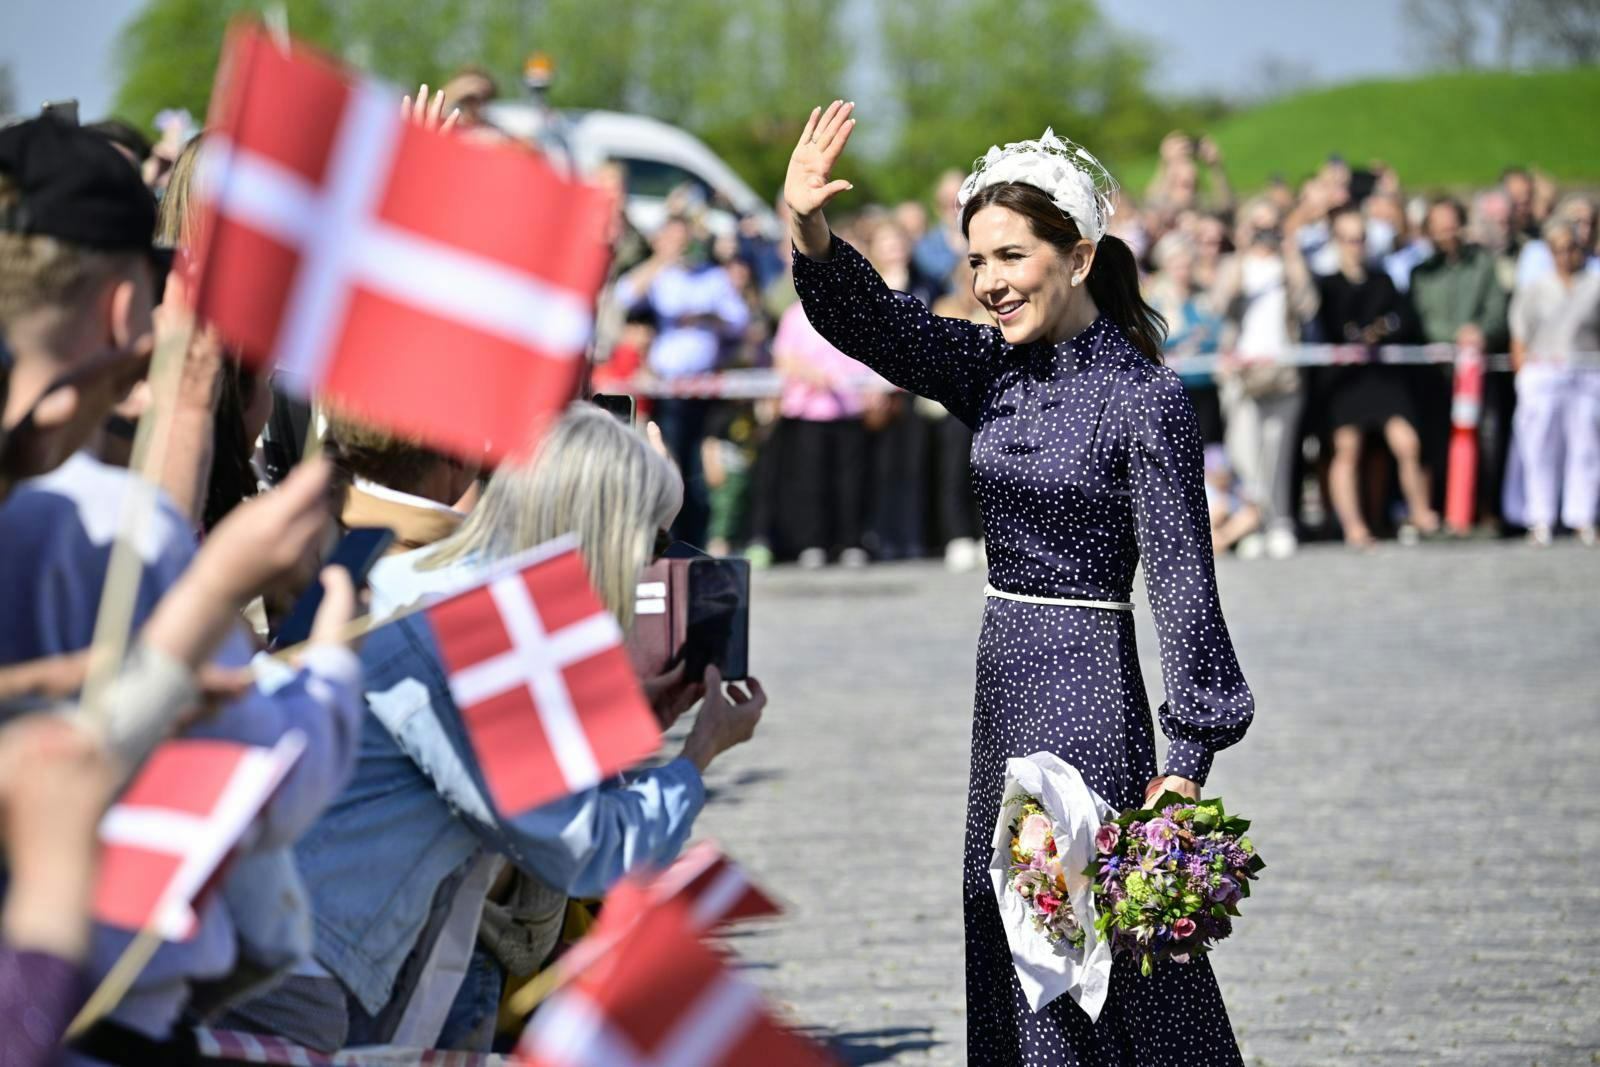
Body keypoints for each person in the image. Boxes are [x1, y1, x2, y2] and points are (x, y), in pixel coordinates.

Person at [786, 104, 1253, 1064]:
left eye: (1012, 256)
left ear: (1079, 256)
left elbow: (1183, 585)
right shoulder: (992, 369)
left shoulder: (1144, 397)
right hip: (1002, 685)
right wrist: (807, 226)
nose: (992, 283)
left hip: (1087, 693)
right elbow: (872, 322)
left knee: (1072, 927)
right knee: (1007, 914)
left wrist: (1188, 758)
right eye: (978, 262)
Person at [233, 406, 767, 1052]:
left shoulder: (429, 578)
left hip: (280, 931)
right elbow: (586, 847)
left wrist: (637, 724)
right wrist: (698, 755)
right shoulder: (480, 631)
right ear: (606, 532)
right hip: (295, 958)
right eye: (654, 542)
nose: (656, 566)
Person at [0, 116, 365, 1049]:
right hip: (94, 999)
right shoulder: (84, 520)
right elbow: (263, 787)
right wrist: (328, 667)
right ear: (128, 307)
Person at [1286, 202, 1437, 546]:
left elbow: (1403, 321)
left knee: (1407, 442)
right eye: (1349, 239)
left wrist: (1377, 332)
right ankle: (1354, 526)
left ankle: (1421, 512)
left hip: (1380, 378)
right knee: (1348, 448)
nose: (1357, 246)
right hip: (1344, 381)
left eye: (1361, 239)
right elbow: (1330, 327)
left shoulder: (1382, 279)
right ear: (1337, 242)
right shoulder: (1328, 285)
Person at [616, 216, 751, 546]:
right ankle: (671, 536)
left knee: (703, 467)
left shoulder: (713, 277)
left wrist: (706, 316)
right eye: (673, 238)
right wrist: (662, 259)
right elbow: (624, 296)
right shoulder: (662, 276)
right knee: (670, 460)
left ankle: (701, 537)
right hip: (669, 390)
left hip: (705, 388)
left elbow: (740, 320)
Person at [1212, 197, 1314, 558]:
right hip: (1242, 372)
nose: (1264, 232)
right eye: (1257, 225)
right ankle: (1251, 522)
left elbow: (1308, 305)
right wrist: (1241, 251)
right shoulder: (1234, 265)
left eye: (1271, 224)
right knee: (1245, 453)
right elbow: (1220, 304)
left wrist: (1291, 251)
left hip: (1284, 371)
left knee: (1279, 450)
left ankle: (1280, 521)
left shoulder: (1288, 267)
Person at [1505, 216, 1600, 545]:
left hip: (1586, 370)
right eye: (1558, 250)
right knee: (1539, 445)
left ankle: (1581, 516)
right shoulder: (1535, 289)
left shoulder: (1594, 284)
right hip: (1543, 372)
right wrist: (1524, 376)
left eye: (1571, 248)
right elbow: (1519, 334)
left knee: (1586, 446)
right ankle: (1540, 517)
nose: (1566, 256)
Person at [771, 300, 874, 567]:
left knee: (851, 482)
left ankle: (851, 541)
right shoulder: (794, 314)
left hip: (849, 409)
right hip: (809, 412)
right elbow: (783, 359)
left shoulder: (852, 309)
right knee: (810, 480)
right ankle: (813, 542)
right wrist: (810, 373)